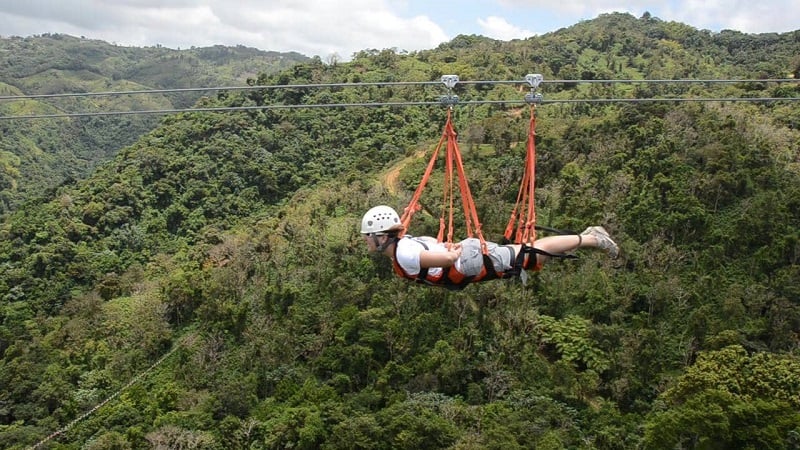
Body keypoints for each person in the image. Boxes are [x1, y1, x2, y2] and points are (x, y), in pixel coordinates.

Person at [360, 205, 618, 288]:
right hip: (468, 257)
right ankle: (590, 238)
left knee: (531, 255)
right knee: (529, 254)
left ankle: (594, 238)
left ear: (382, 237)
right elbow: (436, 248)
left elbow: (447, 260)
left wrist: (453, 252)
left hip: (468, 260)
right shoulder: (407, 243)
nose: (365, 241)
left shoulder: (404, 254)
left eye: (367, 236)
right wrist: (450, 249)